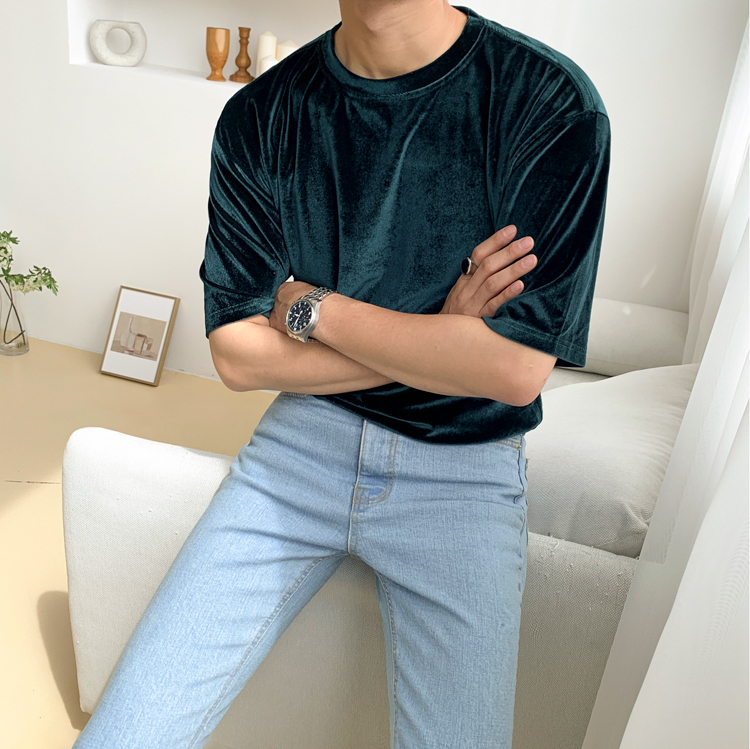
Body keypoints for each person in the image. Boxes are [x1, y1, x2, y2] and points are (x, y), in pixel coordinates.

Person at [72, 2, 610, 748]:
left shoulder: (549, 102)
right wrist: (442, 334)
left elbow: (514, 369)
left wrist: (312, 307)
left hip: (463, 472)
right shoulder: (262, 114)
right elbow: (236, 356)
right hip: (299, 449)